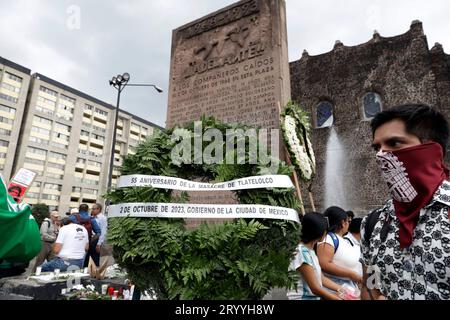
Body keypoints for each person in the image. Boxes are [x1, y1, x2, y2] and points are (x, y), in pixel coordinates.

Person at [361, 104, 450, 300]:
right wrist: (375, 295)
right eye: (377, 147)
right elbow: (370, 278)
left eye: (394, 143)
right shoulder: (373, 222)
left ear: (431, 149)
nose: (381, 155)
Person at [287, 212, 342, 300]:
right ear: (318, 232)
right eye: (325, 230)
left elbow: (321, 278)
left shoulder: (310, 250)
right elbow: (315, 289)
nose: (326, 233)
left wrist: (342, 289)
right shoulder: (302, 253)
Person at [317, 206, 362, 292]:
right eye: (348, 221)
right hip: (335, 286)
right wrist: (351, 274)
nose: (349, 224)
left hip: (347, 284)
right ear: (343, 223)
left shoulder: (339, 238)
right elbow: (324, 263)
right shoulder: (329, 238)